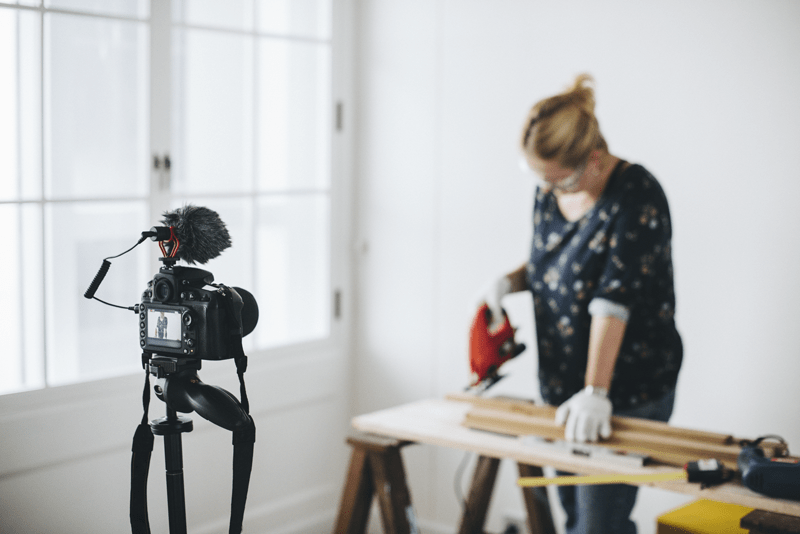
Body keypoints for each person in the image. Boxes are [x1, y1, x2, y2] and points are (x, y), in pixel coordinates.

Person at [480, 74, 683, 534]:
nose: (549, 192)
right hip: (560, 385)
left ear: (593, 159)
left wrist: (595, 392)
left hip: (625, 390)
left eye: (559, 181)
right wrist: (509, 282)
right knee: (574, 517)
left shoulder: (636, 195)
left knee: (598, 527)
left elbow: (614, 300)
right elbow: (551, 264)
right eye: (542, 181)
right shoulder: (551, 190)